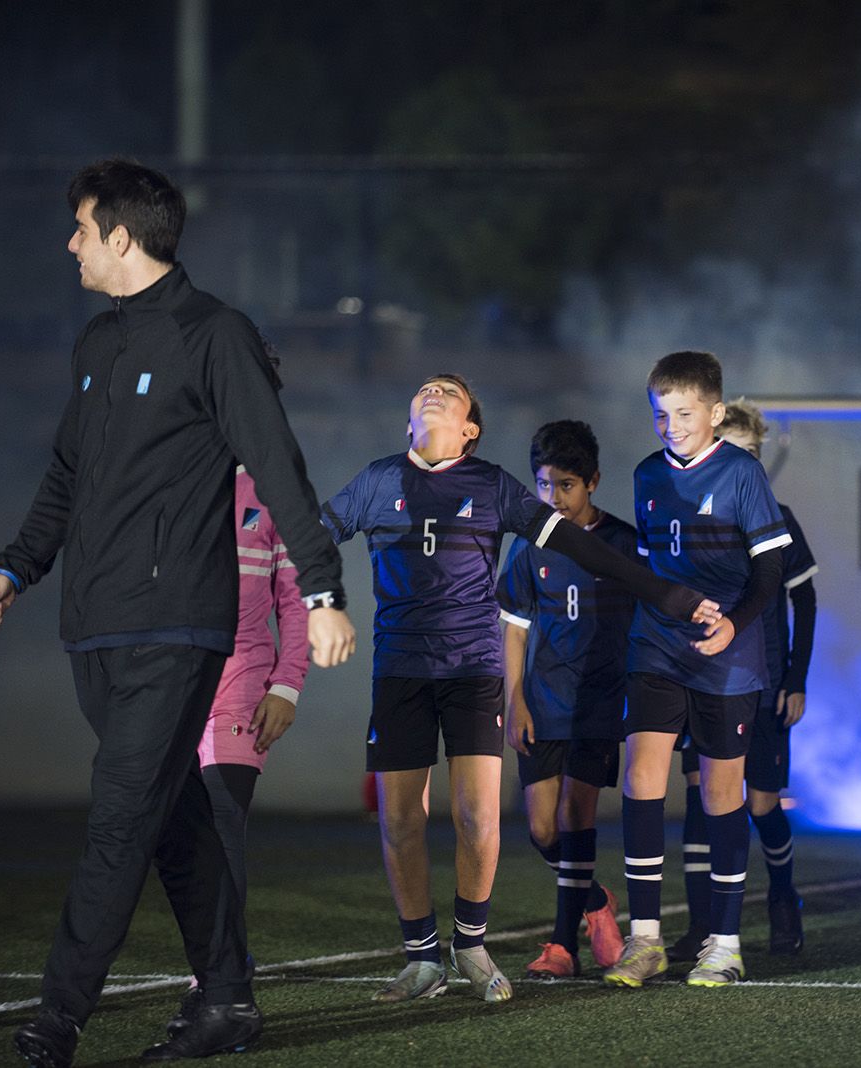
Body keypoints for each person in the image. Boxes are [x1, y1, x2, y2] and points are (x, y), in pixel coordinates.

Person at [0, 158, 355, 1068]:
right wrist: (15, 568)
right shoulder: (97, 342)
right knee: (173, 819)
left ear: (122, 237)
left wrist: (325, 590)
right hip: (92, 628)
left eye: (81, 229)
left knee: (118, 821)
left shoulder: (215, 334)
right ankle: (226, 1000)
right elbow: (67, 475)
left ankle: (56, 1022)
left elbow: (280, 464)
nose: (70, 244)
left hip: (176, 625)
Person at [319, 374, 718, 1006]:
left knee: (479, 814)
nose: (433, 393)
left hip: (474, 671)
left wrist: (671, 595)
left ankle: (471, 946)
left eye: (448, 393)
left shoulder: (492, 486)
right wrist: (314, 595)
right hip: (399, 670)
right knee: (401, 817)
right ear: (407, 422)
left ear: (469, 429)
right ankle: (421, 958)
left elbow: (589, 551)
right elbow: (310, 536)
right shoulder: (377, 480)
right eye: (424, 390)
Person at [603, 352, 791, 990]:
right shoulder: (646, 475)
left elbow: (771, 573)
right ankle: (646, 939)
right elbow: (654, 570)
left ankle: (725, 942)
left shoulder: (743, 474)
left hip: (728, 655)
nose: (671, 424)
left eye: (684, 413)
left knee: (718, 795)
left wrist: (735, 624)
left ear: (714, 412)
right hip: (657, 646)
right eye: (661, 413)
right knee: (641, 774)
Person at [165, 446, 310, 1036]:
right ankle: (224, 968)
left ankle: (217, 986)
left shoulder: (274, 489)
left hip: (242, 683)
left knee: (222, 826)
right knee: (175, 835)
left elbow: (296, 601)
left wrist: (288, 685)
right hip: (172, 685)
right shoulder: (167, 474)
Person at [669, 399, 816, 960]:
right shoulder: (687, 514)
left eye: (753, 454)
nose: (743, 463)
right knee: (699, 798)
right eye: (734, 451)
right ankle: (699, 924)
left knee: (759, 805)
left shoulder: (775, 517)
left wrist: (795, 676)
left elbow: (804, 597)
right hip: (700, 676)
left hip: (761, 681)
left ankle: (784, 899)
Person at [497, 420, 631, 979]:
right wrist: (515, 699)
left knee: (577, 820)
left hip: (597, 704)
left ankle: (561, 947)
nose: (554, 498)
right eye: (544, 485)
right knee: (542, 830)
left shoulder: (625, 543)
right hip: (544, 702)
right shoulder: (531, 545)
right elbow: (514, 627)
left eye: (567, 485)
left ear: (593, 482)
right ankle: (597, 902)